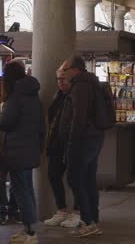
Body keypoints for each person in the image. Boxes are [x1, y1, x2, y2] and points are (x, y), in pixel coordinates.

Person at [0, 60, 44, 244]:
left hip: (16, 152)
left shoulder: (16, 96)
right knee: (26, 189)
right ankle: (28, 229)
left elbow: (5, 122)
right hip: (28, 150)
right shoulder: (32, 95)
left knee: (22, 191)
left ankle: (30, 233)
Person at [60, 55, 105, 237]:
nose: (63, 73)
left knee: (75, 179)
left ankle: (88, 220)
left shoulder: (81, 87)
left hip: (82, 140)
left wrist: (72, 139)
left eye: (65, 69)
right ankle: (92, 220)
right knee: (87, 180)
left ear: (75, 69)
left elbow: (79, 117)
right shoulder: (90, 83)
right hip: (93, 138)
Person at [44, 67, 81, 228]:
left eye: (63, 79)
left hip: (72, 144)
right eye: (58, 79)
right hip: (57, 144)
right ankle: (62, 210)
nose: (60, 82)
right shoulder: (58, 97)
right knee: (53, 174)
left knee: (75, 179)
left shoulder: (76, 97)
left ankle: (78, 212)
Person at [0, 77, 20, 225]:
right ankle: (3, 210)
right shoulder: (6, 103)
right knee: (2, 181)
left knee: (9, 181)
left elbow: (1, 123)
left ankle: (9, 210)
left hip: (8, 147)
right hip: (2, 148)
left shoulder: (10, 104)